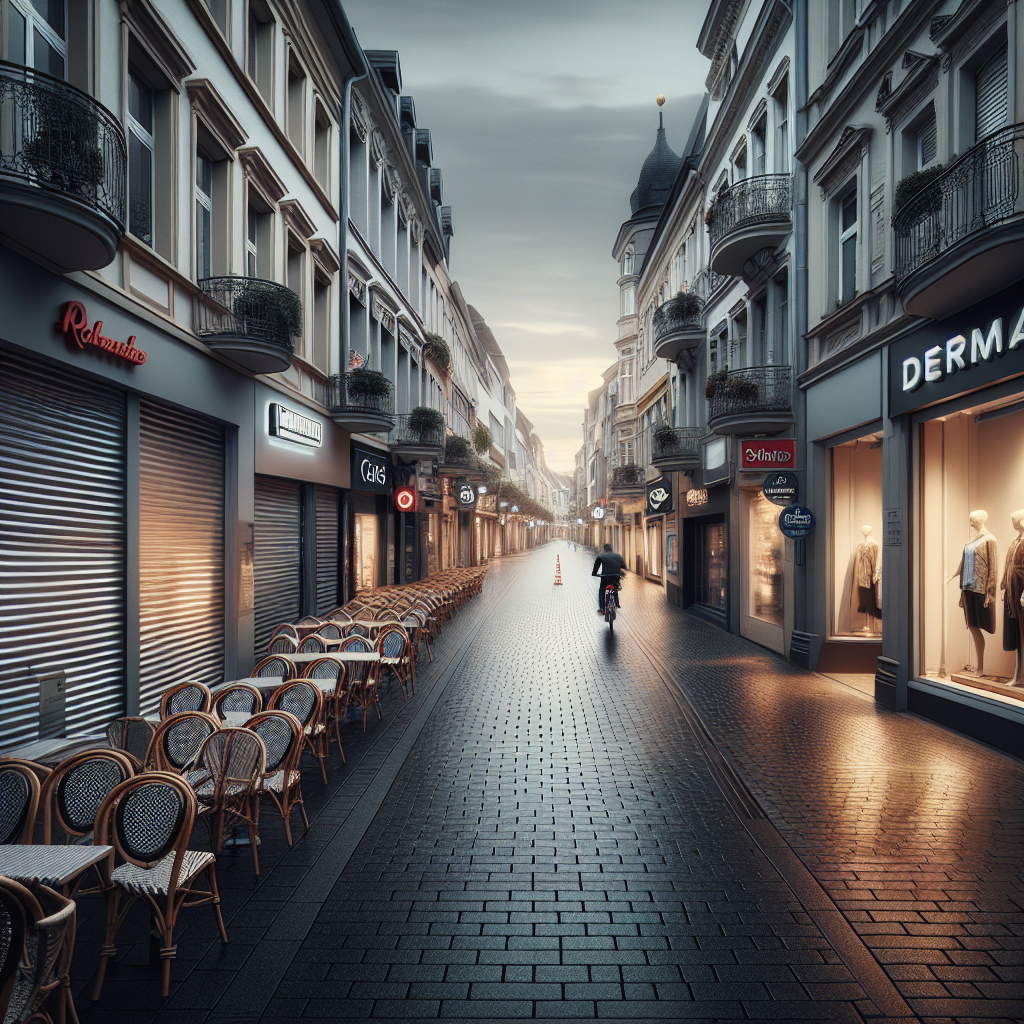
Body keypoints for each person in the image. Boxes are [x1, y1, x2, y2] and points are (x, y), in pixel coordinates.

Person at [592, 543, 627, 613]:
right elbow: (623, 565)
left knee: (602, 589)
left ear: (604, 549)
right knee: (615, 588)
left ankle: (601, 607)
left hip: (605, 576)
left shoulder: (601, 556)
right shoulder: (617, 556)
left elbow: (596, 566)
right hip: (615, 576)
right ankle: (617, 604)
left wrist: (594, 573)